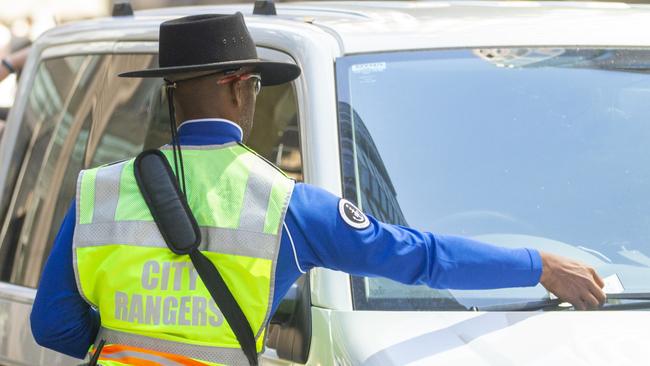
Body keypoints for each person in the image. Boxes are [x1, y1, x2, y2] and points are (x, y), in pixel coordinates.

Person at [30, 13, 606, 365]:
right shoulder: (286, 205)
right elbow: (417, 256)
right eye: (255, 84)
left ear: (169, 94)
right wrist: (538, 266)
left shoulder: (96, 193)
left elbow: (52, 326)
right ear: (239, 88)